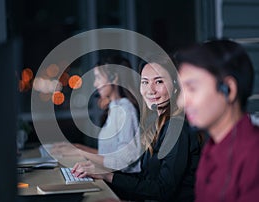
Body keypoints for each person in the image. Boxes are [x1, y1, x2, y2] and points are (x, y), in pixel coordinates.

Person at [71, 54, 202, 202]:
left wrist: (108, 175)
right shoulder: (156, 124)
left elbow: (163, 190)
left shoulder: (177, 127)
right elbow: (145, 180)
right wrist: (103, 175)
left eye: (158, 81)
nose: (150, 90)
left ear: (176, 86)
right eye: (145, 82)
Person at [174, 39, 259, 202]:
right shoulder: (212, 146)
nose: (181, 102)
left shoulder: (253, 156)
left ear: (229, 89)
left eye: (191, 88)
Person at [52, 55, 141, 173]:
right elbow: (108, 154)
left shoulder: (126, 110)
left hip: (122, 183)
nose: (95, 84)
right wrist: (77, 147)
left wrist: (79, 152)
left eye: (98, 77)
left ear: (114, 78)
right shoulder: (115, 107)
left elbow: (122, 161)